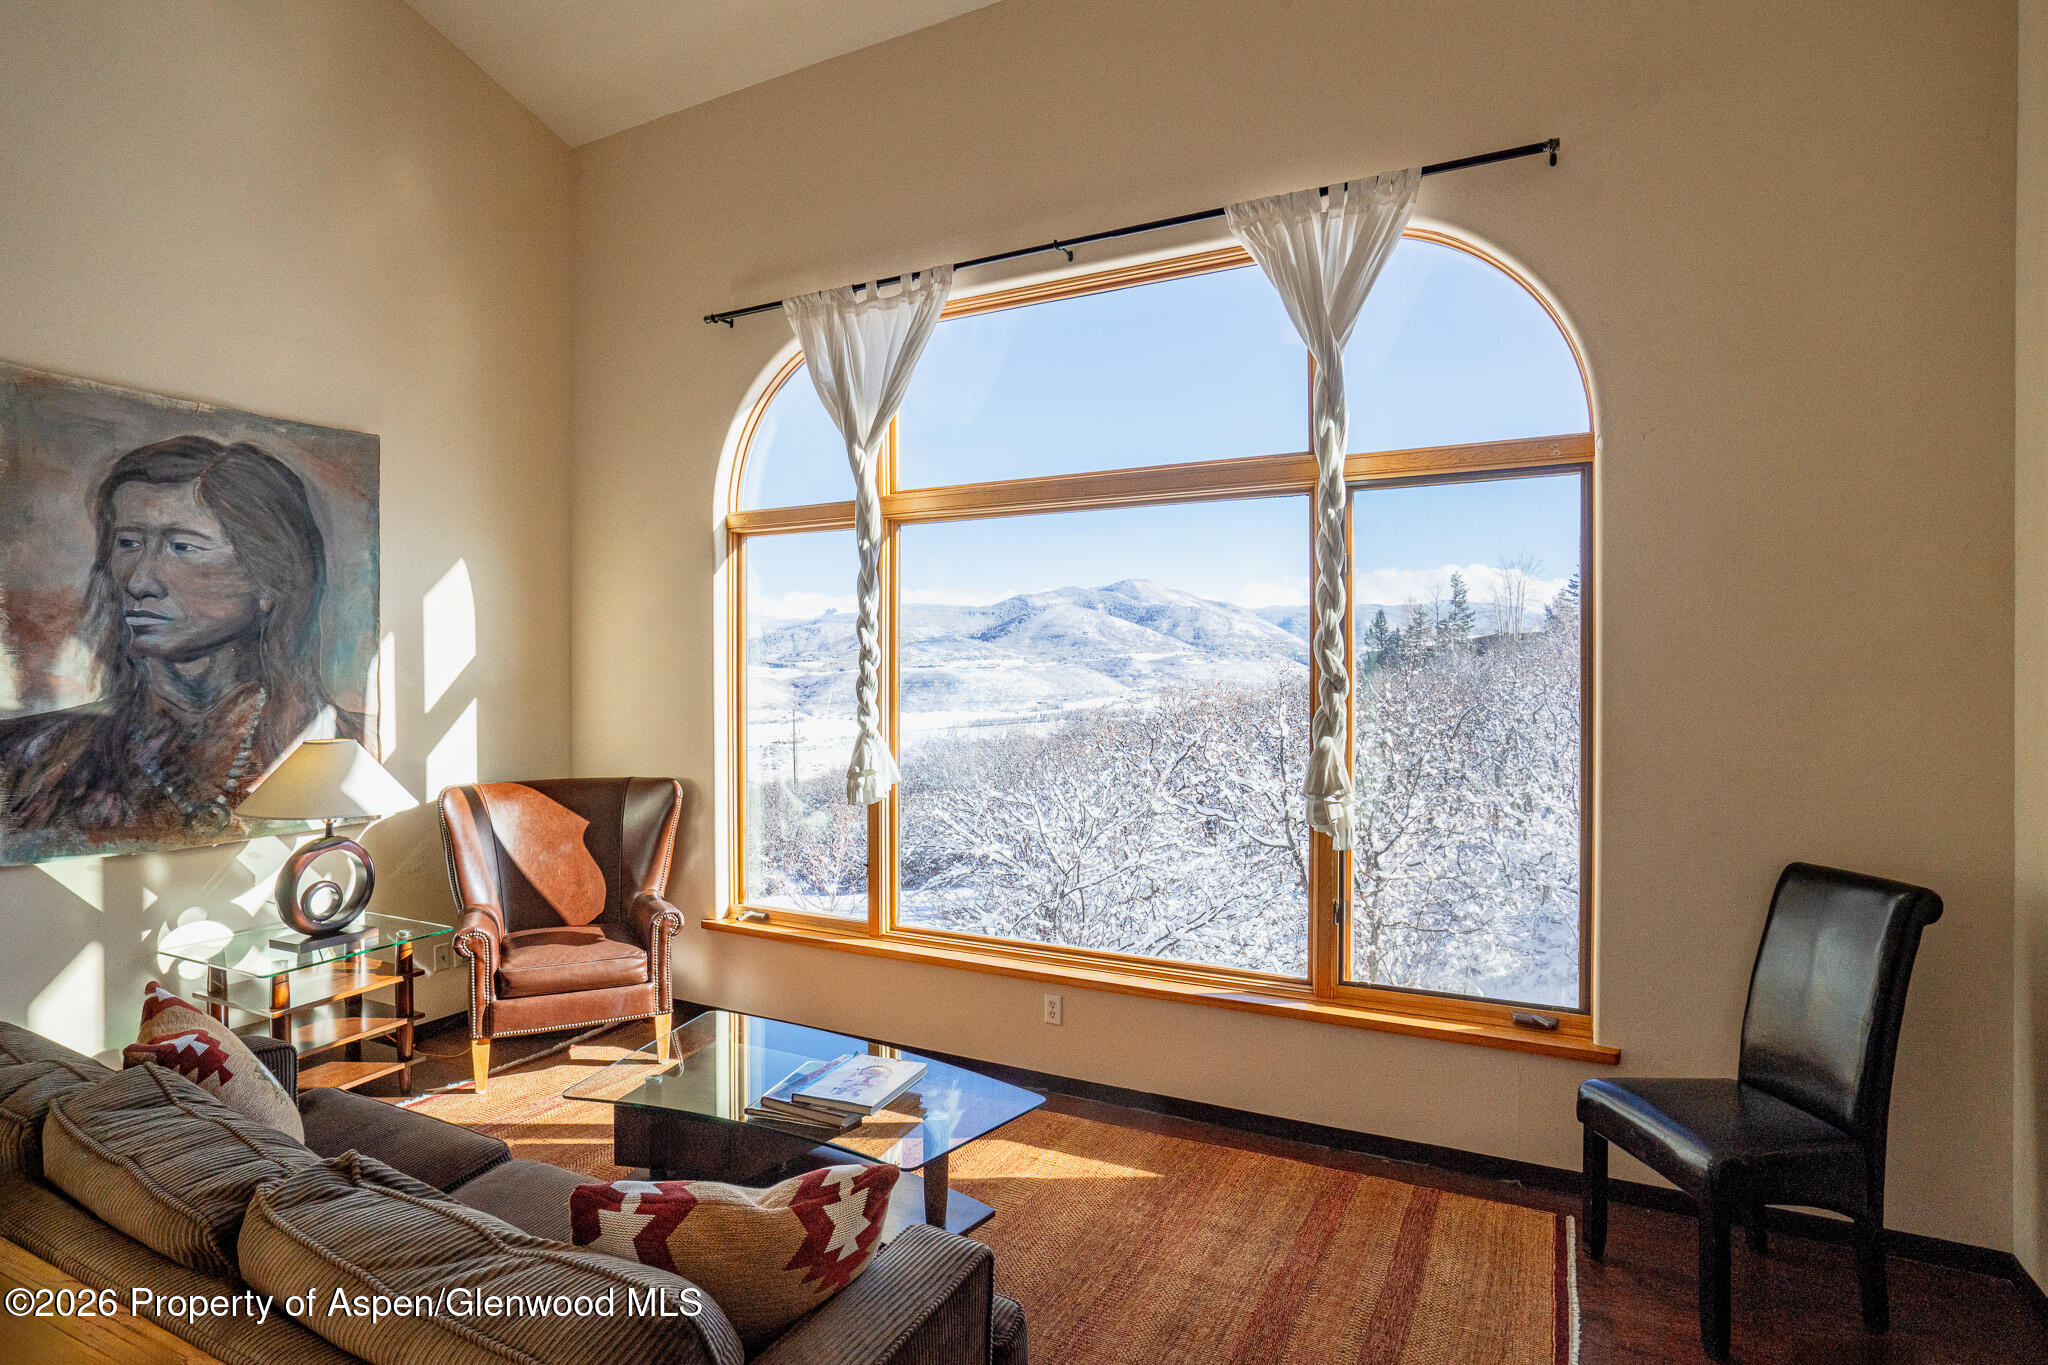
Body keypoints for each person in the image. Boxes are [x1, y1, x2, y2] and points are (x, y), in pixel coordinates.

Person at [0, 436, 362, 860]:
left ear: (268, 578)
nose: (139, 581)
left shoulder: (348, 751)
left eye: (183, 547)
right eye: (128, 543)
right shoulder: (30, 758)